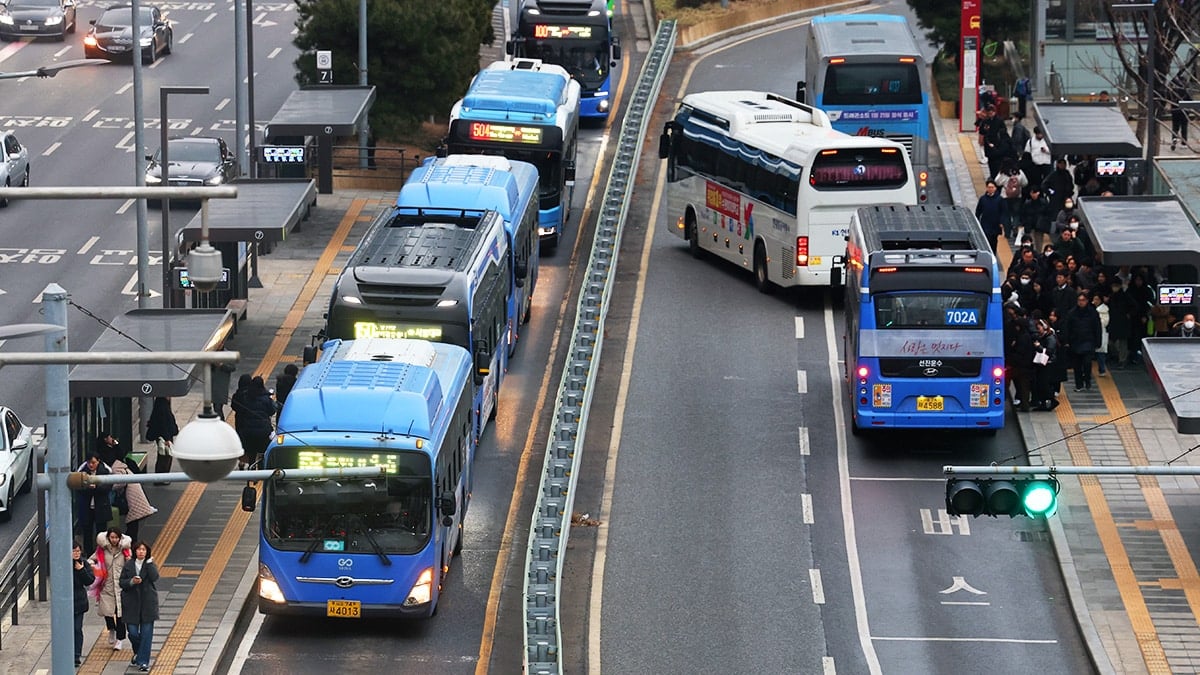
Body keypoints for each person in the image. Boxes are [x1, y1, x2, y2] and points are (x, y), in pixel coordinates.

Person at [88, 527, 131, 652]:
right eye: (112, 537)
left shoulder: (125, 551)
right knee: (107, 611)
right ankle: (111, 628)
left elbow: (132, 565)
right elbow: (92, 559)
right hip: (106, 585)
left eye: (116, 537)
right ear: (108, 538)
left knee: (120, 614)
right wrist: (93, 566)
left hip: (121, 587)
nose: (114, 540)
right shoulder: (102, 550)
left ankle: (120, 639)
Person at [120, 541, 160, 671]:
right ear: (134, 551)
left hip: (147, 603)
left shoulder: (150, 564)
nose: (141, 552)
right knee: (132, 633)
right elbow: (122, 582)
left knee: (146, 634)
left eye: (143, 549)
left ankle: (143, 661)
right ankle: (138, 653)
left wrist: (149, 564)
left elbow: (154, 577)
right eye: (139, 549)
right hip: (131, 604)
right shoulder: (129, 565)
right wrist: (132, 581)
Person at [233, 375, 276, 469]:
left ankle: (251, 469)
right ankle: (260, 470)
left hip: (248, 429)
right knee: (262, 452)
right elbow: (272, 410)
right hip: (263, 430)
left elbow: (240, 409)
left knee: (251, 452)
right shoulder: (266, 398)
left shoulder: (246, 397)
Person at [111, 455, 157, 541]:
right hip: (135, 498)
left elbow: (121, 482)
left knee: (132, 522)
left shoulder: (115, 468)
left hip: (132, 499)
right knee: (133, 522)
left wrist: (109, 486)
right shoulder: (122, 466)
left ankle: (131, 543)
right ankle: (131, 542)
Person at [76, 453, 113, 557]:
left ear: (98, 461)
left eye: (93, 462)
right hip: (87, 507)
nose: (91, 465)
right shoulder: (82, 469)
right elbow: (78, 488)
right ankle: (89, 554)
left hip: (101, 506)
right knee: (87, 532)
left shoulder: (105, 470)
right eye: (89, 462)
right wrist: (88, 488)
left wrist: (96, 488)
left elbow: (108, 487)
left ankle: (101, 553)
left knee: (101, 532)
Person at [1066, 291, 1103, 392]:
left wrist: (1098, 341)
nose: (1081, 302)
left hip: (1088, 341)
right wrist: (1067, 340)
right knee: (1077, 365)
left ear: (1087, 301)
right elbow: (1068, 327)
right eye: (1079, 300)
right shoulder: (1072, 313)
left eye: (1083, 300)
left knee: (1087, 363)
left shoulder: (1092, 312)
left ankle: (1087, 379)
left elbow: (1097, 328)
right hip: (1075, 341)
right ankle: (1079, 384)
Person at [73, 540, 95, 667]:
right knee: (68, 630)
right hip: (66, 603)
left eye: (78, 551)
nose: (76, 553)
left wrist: (81, 570)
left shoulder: (83, 564)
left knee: (77, 628)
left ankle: (76, 655)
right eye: (74, 551)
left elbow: (89, 581)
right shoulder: (64, 563)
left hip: (79, 602)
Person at [146, 396, 179, 482]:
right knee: (165, 456)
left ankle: (162, 477)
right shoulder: (162, 406)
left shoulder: (161, 404)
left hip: (164, 435)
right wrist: (167, 438)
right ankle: (162, 477)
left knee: (164, 455)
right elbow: (163, 424)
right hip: (164, 436)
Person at [1032, 319, 1061, 410]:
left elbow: (1049, 351)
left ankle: (1051, 400)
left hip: (1048, 364)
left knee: (1044, 384)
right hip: (1042, 363)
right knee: (1040, 384)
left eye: (1039, 328)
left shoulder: (1050, 338)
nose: (1037, 330)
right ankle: (1044, 402)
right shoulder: (1042, 337)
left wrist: (1039, 347)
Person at [974, 180, 1009, 254]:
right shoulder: (983, 199)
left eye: (992, 187)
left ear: (995, 188)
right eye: (989, 187)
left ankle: (993, 254)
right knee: (986, 239)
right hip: (985, 223)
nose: (990, 189)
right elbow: (978, 211)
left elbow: (1004, 212)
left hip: (995, 224)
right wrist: (976, 221)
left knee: (993, 241)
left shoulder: (1000, 199)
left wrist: (1002, 222)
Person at [1094, 292, 1111, 376]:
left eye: (1097, 299)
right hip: (1092, 332)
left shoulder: (1104, 310)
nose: (1095, 301)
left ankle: (1102, 369)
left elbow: (1105, 322)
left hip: (1101, 332)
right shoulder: (1093, 309)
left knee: (1100, 352)